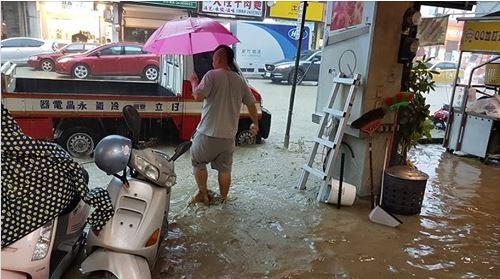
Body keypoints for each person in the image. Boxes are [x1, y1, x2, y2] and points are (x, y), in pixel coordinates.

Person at [189, 45, 259, 205]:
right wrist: (255, 123)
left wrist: (194, 82)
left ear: (219, 58)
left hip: (207, 133)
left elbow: (198, 97)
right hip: (228, 138)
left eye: (213, 58)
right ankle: (223, 200)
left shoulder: (211, 75)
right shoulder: (239, 80)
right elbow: (251, 104)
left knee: (198, 162)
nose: (212, 61)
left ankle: (203, 193)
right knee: (225, 170)